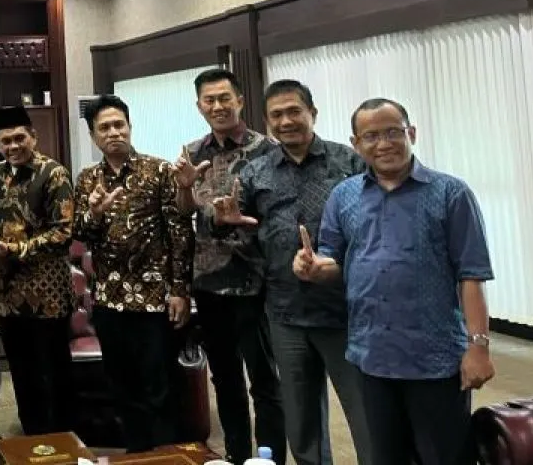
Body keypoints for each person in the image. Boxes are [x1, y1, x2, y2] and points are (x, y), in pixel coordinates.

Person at [296, 98, 494, 464]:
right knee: (385, 456)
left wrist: (478, 347)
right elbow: (333, 260)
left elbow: (472, 274)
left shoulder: (450, 193)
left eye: (393, 132)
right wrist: (313, 267)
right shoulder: (344, 196)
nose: (384, 144)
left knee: (445, 456)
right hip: (371, 356)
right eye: (371, 136)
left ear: (411, 134)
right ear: (356, 144)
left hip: (434, 358)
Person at [212, 80, 371, 464]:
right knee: (302, 422)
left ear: (312, 113)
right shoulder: (256, 171)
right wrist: (221, 220)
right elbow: (231, 222)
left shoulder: (349, 163)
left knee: (366, 414)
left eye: (294, 111)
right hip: (286, 312)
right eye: (277, 115)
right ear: (268, 122)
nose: (286, 121)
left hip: (346, 311)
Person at [177, 69, 286, 464]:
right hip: (209, 286)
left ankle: (269, 460)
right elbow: (183, 212)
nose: (218, 106)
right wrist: (185, 188)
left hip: (256, 284)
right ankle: (237, 457)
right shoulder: (192, 152)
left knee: (265, 383)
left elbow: (279, 215)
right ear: (199, 106)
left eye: (225, 98)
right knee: (225, 381)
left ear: (240, 100)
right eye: (209, 100)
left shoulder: (268, 150)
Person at [73, 94, 194, 453]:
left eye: (119, 125)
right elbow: (80, 234)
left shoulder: (158, 171)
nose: (113, 133)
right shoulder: (88, 179)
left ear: (129, 127)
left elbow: (179, 233)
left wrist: (180, 290)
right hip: (109, 301)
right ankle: (137, 454)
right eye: (104, 128)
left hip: (155, 300)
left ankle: (165, 456)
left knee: (158, 385)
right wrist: (95, 213)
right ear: (93, 136)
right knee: (122, 386)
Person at [0, 105, 75, 435]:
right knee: (21, 372)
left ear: (33, 137)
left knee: (54, 373)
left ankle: (64, 441)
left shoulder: (54, 173)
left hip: (48, 295)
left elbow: (63, 233)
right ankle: (32, 439)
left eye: (19, 138)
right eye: (5, 141)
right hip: (8, 294)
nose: (13, 146)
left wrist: (17, 249)